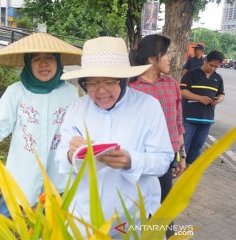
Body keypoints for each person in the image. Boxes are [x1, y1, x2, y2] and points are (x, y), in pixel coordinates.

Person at [0, 33, 82, 217]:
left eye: (50, 58)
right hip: (22, 176)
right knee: (7, 223)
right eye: (36, 59)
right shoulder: (16, 92)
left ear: (58, 61)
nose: (44, 64)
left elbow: (77, 131)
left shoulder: (70, 93)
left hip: (57, 176)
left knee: (52, 228)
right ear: (27, 63)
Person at [55, 36, 174, 238]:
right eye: (91, 84)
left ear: (124, 79)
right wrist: (70, 154)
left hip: (132, 215)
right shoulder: (77, 107)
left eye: (109, 82)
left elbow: (163, 160)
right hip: (85, 215)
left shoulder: (148, 106)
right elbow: (59, 156)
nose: (100, 91)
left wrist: (131, 160)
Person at [129, 34, 186, 238]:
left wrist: (181, 155)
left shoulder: (172, 85)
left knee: (164, 208)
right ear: (152, 59)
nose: (169, 58)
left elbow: (178, 124)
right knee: (136, 209)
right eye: (165, 53)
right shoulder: (129, 88)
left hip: (166, 160)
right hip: (138, 160)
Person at [180, 50, 225, 166]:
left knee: (198, 145)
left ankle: (190, 169)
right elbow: (183, 91)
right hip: (189, 118)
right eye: (211, 65)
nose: (213, 68)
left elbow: (221, 94)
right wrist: (199, 98)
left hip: (207, 119)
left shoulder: (218, 78)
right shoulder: (191, 74)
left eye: (216, 66)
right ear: (205, 60)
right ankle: (178, 167)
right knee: (185, 144)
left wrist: (219, 99)